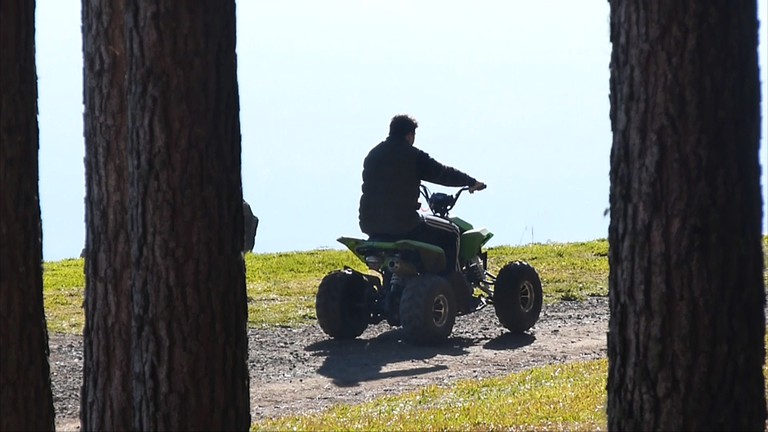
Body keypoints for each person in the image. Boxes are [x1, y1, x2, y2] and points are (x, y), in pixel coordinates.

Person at [358, 114, 486, 312]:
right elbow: (442, 172)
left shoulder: (372, 155)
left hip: (370, 225)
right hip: (404, 225)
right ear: (410, 135)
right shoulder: (412, 156)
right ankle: (453, 289)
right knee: (451, 233)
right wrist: (470, 181)